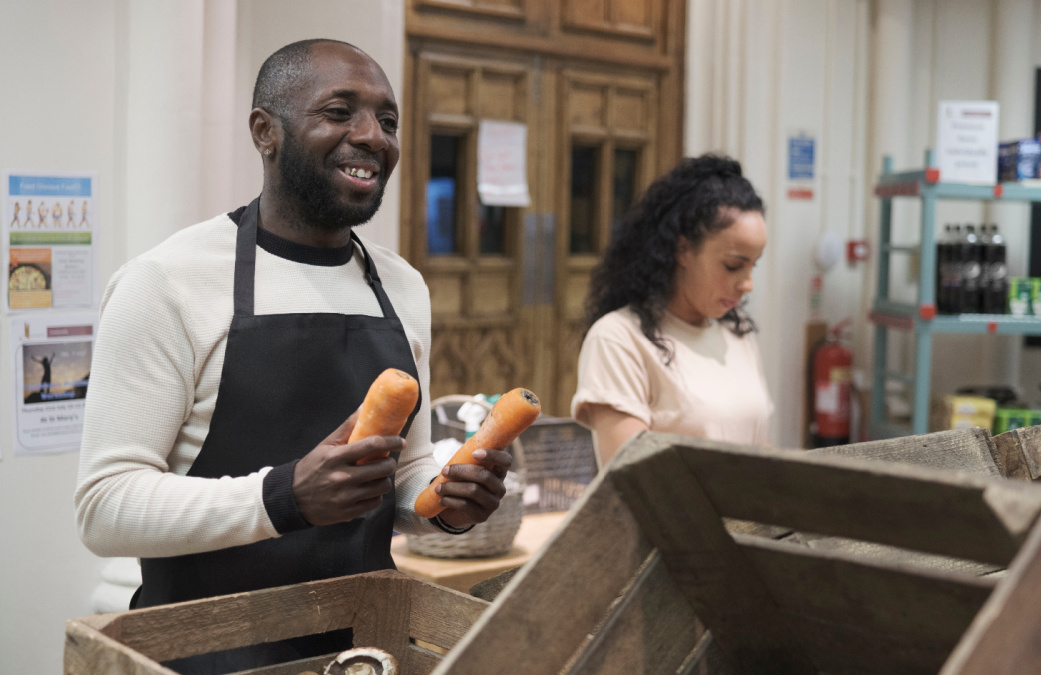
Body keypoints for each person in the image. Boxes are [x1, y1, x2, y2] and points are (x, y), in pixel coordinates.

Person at [75, 39, 510, 672]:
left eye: (388, 121)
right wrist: (284, 498)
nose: (372, 137)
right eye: (339, 112)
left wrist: (446, 501)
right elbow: (104, 508)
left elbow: (406, 472)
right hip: (207, 652)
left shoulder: (402, 288)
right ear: (265, 131)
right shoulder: (168, 282)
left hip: (364, 650)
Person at [571, 155, 774, 466]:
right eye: (733, 266)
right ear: (683, 250)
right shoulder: (618, 339)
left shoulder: (737, 331)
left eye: (753, 266)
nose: (748, 285)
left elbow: (757, 448)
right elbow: (632, 478)